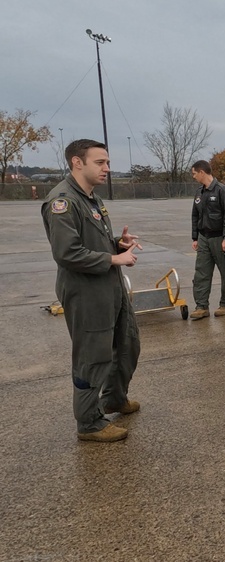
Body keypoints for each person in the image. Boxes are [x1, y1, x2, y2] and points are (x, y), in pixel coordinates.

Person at [41, 139, 142, 442]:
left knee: (127, 344)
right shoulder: (62, 201)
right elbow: (67, 253)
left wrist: (115, 244)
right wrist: (114, 258)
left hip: (109, 286)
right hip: (86, 292)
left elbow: (90, 241)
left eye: (108, 163)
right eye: (100, 162)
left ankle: (114, 398)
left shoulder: (92, 199)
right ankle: (89, 423)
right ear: (77, 162)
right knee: (92, 356)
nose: (107, 169)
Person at [190, 160, 225, 320]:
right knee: (201, 272)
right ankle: (201, 306)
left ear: (202, 172)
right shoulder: (199, 192)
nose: (194, 176)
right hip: (203, 238)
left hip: (219, 238)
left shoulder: (222, 191)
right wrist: (195, 237)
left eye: (194, 173)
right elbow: (195, 215)